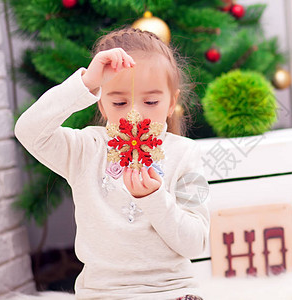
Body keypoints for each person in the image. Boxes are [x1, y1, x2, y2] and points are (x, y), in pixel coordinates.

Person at [15, 27, 210, 300]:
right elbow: (28, 130)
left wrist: (154, 198)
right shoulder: (86, 149)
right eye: (119, 103)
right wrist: (86, 83)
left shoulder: (186, 154)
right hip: (103, 293)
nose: (134, 114)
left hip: (171, 291)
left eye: (151, 101)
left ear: (171, 102)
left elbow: (195, 243)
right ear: (102, 105)